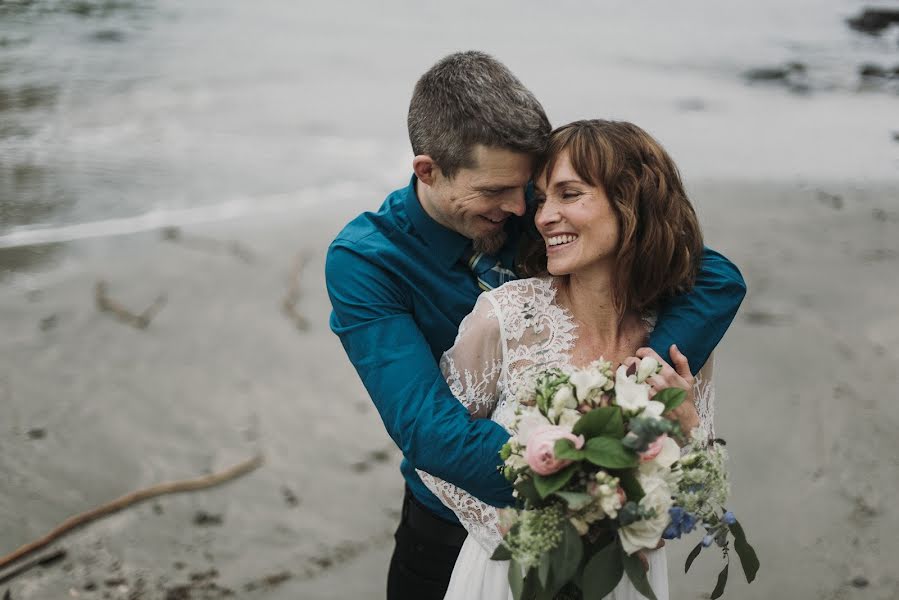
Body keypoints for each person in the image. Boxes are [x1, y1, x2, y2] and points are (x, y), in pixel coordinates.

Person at [325, 51, 745, 600]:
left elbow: (714, 276)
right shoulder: (368, 260)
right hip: (448, 526)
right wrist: (587, 489)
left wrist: (634, 390)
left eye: (531, 187)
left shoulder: (539, 215)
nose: (524, 209)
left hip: (605, 531)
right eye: (496, 190)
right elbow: (427, 429)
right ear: (427, 171)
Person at [417, 119, 719, 600]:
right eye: (542, 199)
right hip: (510, 577)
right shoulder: (505, 320)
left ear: (631, 203)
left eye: (569, 194)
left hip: (623, 582)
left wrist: (686, 433)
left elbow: (694, 503)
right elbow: (436, 458)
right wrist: (526, 531)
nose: (543, 217)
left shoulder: (679, 341)